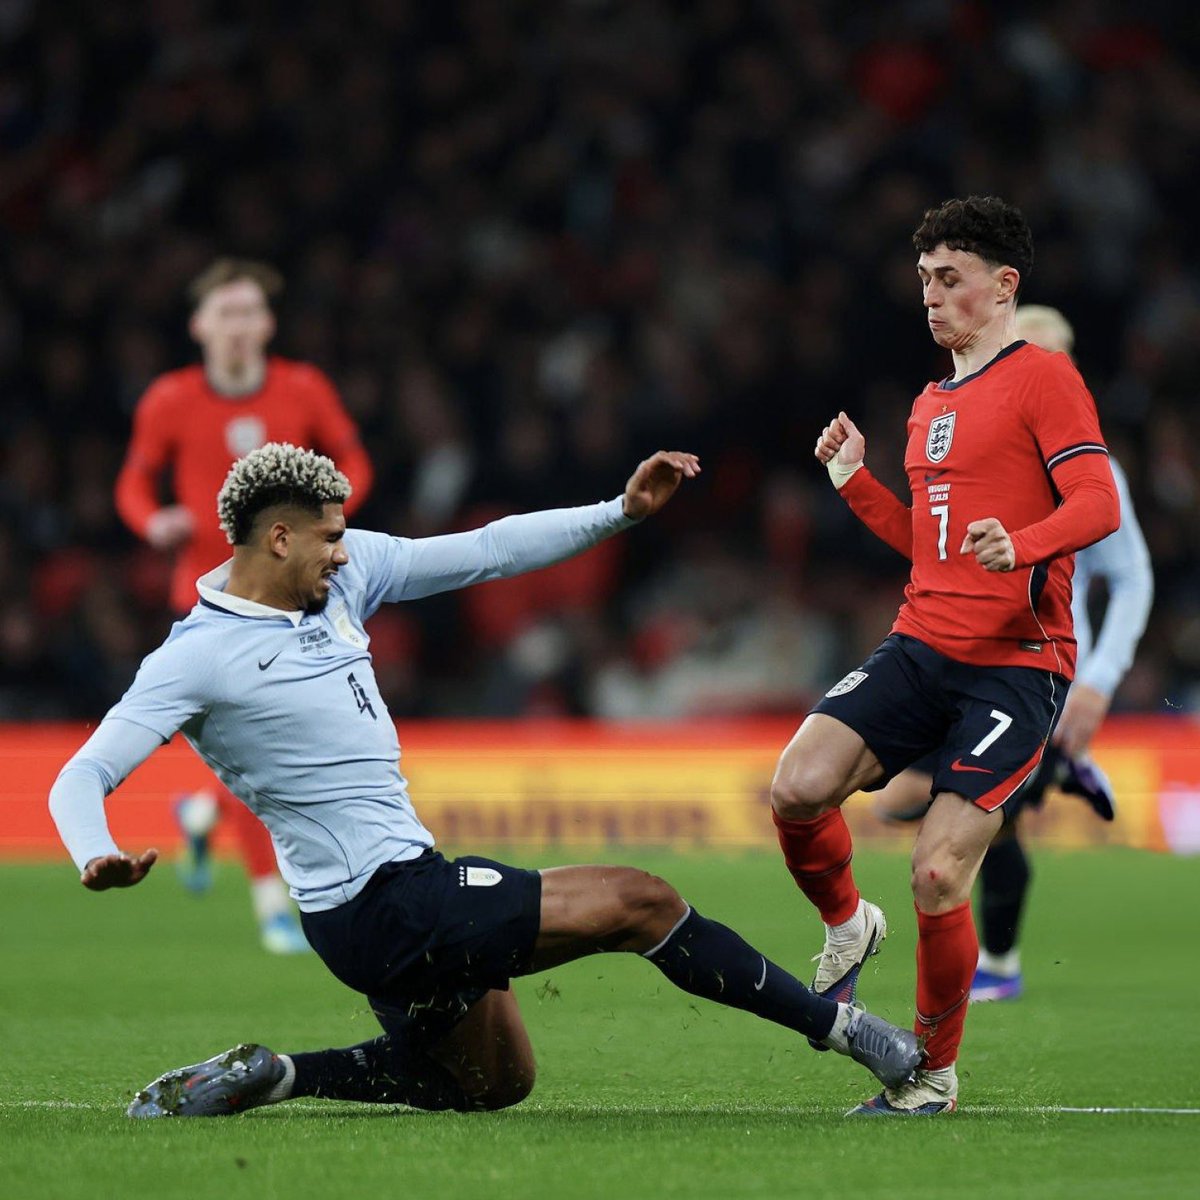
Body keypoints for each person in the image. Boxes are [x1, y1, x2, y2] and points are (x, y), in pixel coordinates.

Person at [50, 442, 922, 1119]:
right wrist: (96, 852)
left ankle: (278, 1075)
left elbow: (486, 550)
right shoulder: (197, 657)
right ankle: (851, 1034)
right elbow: (83, 773)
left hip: (379, 904)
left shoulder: (342, 580)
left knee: (493, 1083)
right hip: (380, 902)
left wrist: (618, 511)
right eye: (326, 536)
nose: (342, 551)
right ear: (277, 537)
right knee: (642, 902)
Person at [769, 197, 1120, 1116]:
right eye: (924, 278)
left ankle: (931, 1072)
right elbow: (927, 549)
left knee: (936, 869)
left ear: (1004, 287)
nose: (931, 295)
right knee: (797, 786)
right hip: (923, 641)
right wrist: (856, 485)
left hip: (1018, 661)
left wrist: (1032, 541)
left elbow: (1098, 503)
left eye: (950, 277)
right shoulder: (931, 403)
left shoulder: (1044, 378)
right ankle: (849, 924)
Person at [872, 305, 1154, 1003]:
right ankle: (1059, 776)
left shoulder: (1088, 468)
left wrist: (1099, 681)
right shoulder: (974, 439)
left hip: (1036, 666)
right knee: (950, 816)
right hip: (959, 654)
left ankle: (999, 959)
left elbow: (1132, 576)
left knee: (944, 810)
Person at [114, 258, 374, 954]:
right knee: (255, 748)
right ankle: (271, 903)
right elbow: (133, 483)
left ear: (267, 323)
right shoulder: (169, 400)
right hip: (207, 600)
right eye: (223, 313)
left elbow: (355, 462)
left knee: (260, 748)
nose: (236, 326)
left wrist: (331, 524)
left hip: (288, 591)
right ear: (200, 326)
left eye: (248, 312)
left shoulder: (303, 388)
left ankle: (202, 817)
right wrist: (152, 522)